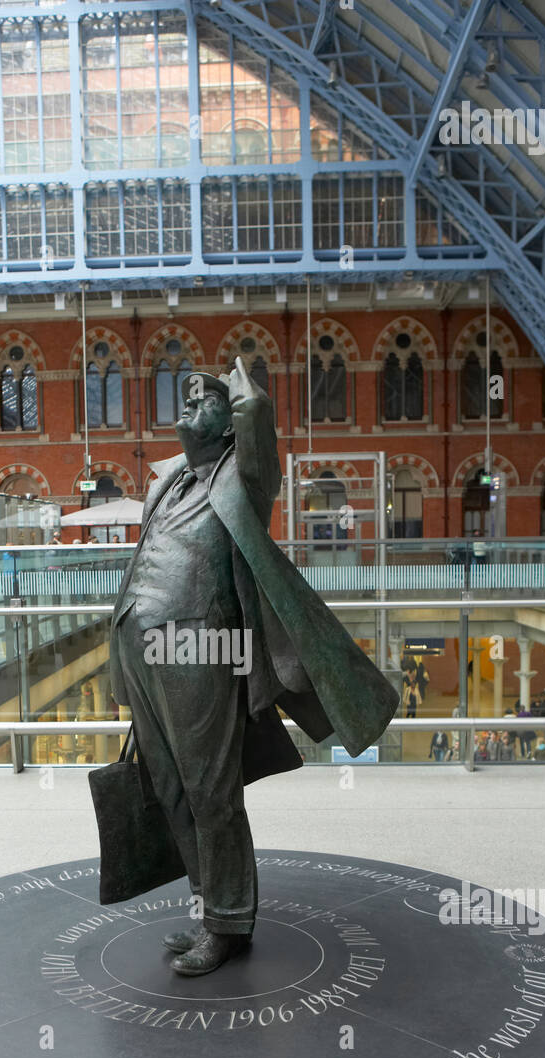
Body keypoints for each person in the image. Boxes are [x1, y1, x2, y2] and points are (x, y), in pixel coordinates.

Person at [103, 358, 397, 976]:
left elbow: (258, 417)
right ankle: (209, 906)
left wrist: (233, 380)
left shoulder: (246, 473)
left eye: (202, 398)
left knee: (210, 788)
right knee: (170, 788)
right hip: (142, 648)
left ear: (229, 422)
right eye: (185, 396)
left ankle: (230, 924)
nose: (187, 405)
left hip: (200, 647)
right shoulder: (170, 479)